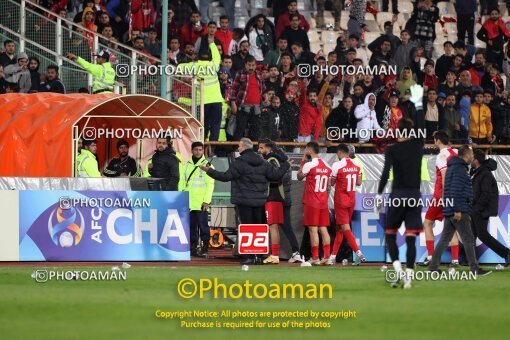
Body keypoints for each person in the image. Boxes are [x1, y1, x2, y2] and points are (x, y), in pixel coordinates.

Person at [199, 138, 290, 264]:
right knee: (258, 228)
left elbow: (225, 177)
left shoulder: (239, 162)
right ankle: (259, 256)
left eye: (239, 146)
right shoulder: (262, 162)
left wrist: (209, 171)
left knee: (247, 228)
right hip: (259, 201)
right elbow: (275, 175)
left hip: (244, 200)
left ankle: (250, 256)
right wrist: (286, 164)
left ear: (244, 147)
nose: (238, 148)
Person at [375, 85, 425, 289]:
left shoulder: (391, 149)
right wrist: (419, 103)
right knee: (411, 238)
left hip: (397, 195)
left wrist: (379, 194)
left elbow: (386, 173)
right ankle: (409, 278)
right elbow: (422, 123)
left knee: (390, 234)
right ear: (412, 131)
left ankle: (396, 271)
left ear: (397, 131)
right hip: (413, 195)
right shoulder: (418, 145)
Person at [428, 146, 492, 276]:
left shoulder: (452, 167)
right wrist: (457, 210)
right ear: (467, 155)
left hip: (450, 209)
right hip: (459, 210)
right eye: (472, 155)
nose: (473, 157)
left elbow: (448, 189)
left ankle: (433, 267)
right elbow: (455, 190)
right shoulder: (460, 169)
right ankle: (475, 269)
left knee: (444, 239)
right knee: (468, 238)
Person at [421, 131, 459, 266]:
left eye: (434, 139)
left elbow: (444, 176)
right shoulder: (456, 152)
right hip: (455, 194)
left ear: (437, 141)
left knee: (427, 223)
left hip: (441, 196)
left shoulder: (441, 156)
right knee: (451, 227)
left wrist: (444, 197)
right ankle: (455, 260)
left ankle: (431, 257)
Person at [177, 37, 223, 142]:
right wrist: (212, 44)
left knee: (203, 125)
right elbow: (217, 56)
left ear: (198, 58)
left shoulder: (194, 66)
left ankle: (203, 146)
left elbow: (179, 67)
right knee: (215, 125)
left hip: (202, 102)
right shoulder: (214, 65)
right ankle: (213, 147)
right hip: (216, 101)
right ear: (209, 58)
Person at [471, 149, 510, 266]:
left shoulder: (485, 173)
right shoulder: (478, 172)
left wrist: (476, 208)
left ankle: (506, 253)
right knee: (472, 235)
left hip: (481, 210)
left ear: (476, 160)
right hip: (476, 209)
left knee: (481, 234)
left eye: (472, 156)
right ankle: (472, 261)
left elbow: (486, 194)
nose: (470, 158)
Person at [297, 141, 332, 266]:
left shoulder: (309, 165)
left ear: (309, 151)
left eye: (306, 149)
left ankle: (315, 257)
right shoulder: (327, 166)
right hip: (323, 202)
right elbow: (328, 186)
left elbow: (299, 177)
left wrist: (302, 162)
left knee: (313, 230)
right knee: (323, 229)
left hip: (312, 202)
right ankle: (327, 257)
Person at [330, 144, 365, 265]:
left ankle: (359, 253)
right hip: (351, 200)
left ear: (340, 153)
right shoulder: (357, 165)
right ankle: (333, 257)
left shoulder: (337, 165)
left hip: (341, 201)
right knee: (339, 229)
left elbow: (332, 182)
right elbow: (359, 183)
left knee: (344, 228)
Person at [180, 142, 215, 257]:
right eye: (196, 149)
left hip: (201, 202)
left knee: (203, 226)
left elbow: (210, 184)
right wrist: (181, 197)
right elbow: (182, 182)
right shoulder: (186, 165)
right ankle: (193, 247)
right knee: (191, 226)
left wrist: (206, 201)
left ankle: (205, 247)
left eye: (200, 150)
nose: (198, 152)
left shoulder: (207, 165)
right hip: (189, 201)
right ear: (192, 150)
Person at [258, 140, 287, 264]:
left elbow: (276, 177)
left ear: (268, 149)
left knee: (273, 227)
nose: (259, 150)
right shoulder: (272, 160)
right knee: (273, 227)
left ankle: (275, 256)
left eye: (261, 148)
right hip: (274, 198)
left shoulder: (271, 160)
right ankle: (274, 254)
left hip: (272, 197)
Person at [230, 56, 264, 141]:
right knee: (240, 129)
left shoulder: (259, 74)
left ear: (256, 65)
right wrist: (233, 103)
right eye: (249, 65)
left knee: (256, 130)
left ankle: (255, 152)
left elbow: (262, 88)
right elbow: (233, 89)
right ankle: (237, 151)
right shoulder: (240, 73)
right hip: (243, 106)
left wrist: (265, 96)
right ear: (245, 65)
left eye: (253, 65)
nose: (251, 67)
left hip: (256, 107)